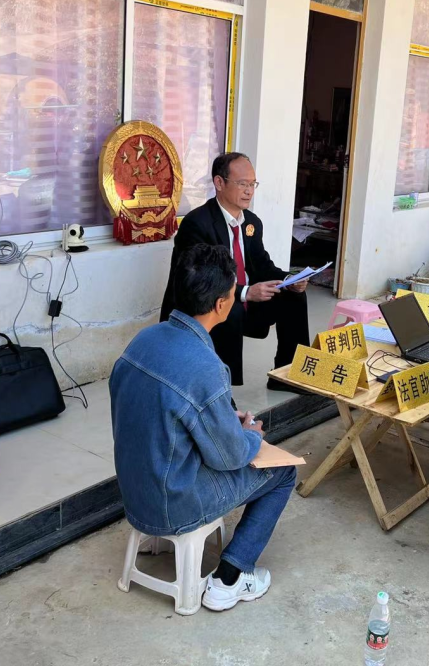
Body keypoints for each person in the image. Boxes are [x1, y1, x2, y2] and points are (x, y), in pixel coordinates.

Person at [112, 244, 296, 611]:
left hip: (134, 493)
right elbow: (229, 457)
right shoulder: (206, 366)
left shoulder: (143, 339)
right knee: (283, 471)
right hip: (173, 501)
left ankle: (186, 554)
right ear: (222, 304)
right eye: (233, 291)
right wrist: (249, 436)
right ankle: (230, 578)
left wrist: (224, 417)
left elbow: (164, 412)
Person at [161, 152, 309, 389]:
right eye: (242, 184)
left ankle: (289, 375)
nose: (249, 191)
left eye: (252, 184)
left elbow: (262, 264)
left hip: (244, 302)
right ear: (219, 183)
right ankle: (222, 391)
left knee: (294, 297)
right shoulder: (197, 223)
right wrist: (245, 292)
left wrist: (289, 279)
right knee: (229, 306)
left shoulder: (251, 222)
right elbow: (200, 280)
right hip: (204, 305)